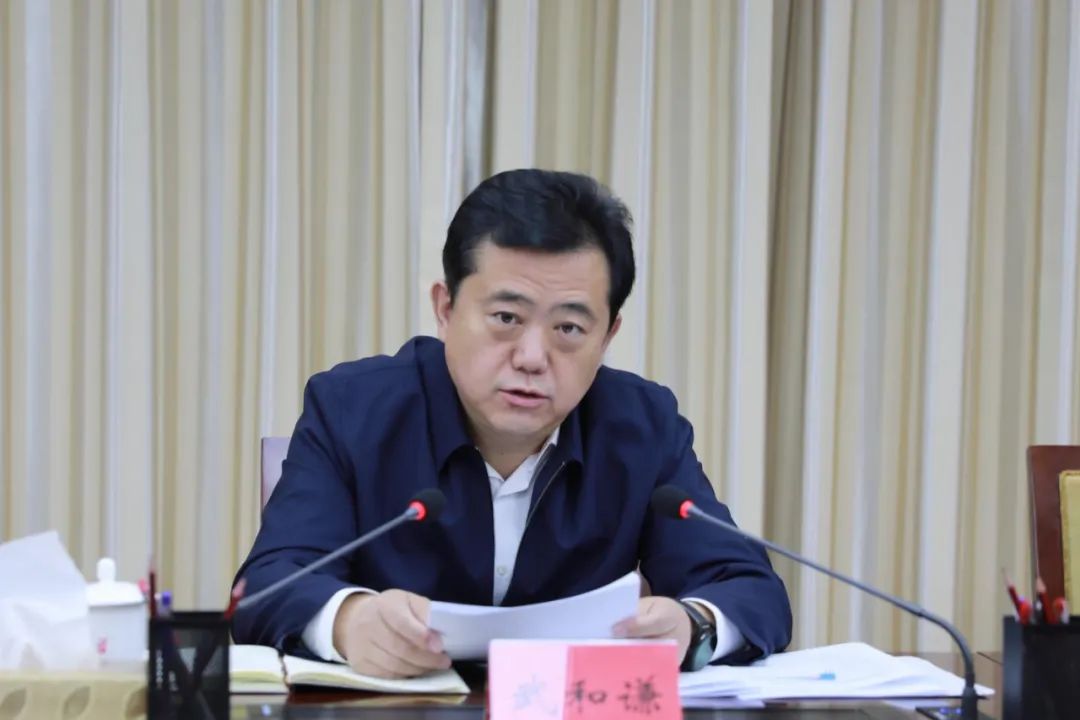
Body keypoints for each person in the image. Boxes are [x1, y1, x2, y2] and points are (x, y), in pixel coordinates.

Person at [232, 169, 791, 679]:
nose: (531, 357)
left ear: (607, 336)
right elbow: (268, 583)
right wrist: (348, 621)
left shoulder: (642, 427)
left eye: (568, 329)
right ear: (446, 309)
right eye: (506, 318)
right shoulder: (353, 409)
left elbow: (749, 589)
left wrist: (693, 626)